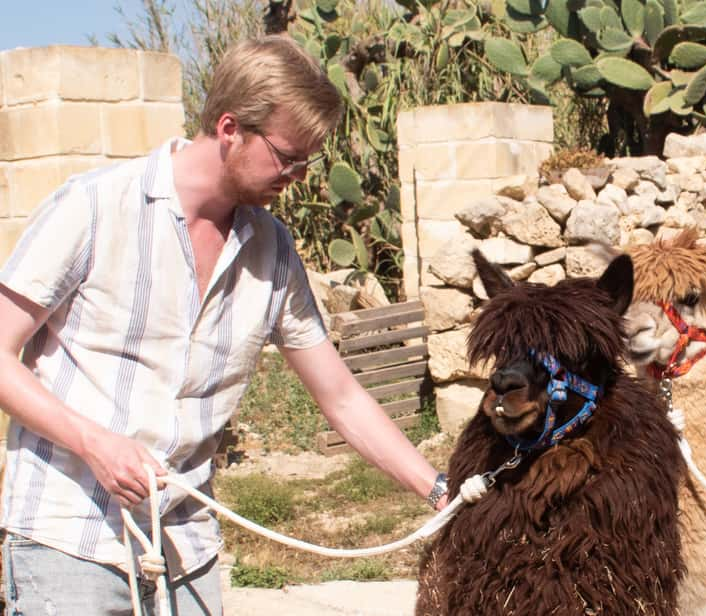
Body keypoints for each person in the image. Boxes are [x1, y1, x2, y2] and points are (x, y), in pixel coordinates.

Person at [0, 35, 449, 615]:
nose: (299, 176)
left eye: (308, 161)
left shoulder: (273, 248)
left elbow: (338, 394)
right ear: (230, 128)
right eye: (288, 157)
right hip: (70, 540)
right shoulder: (91, 208)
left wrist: (436, 489)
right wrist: (94, 442)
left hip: (187, 544)